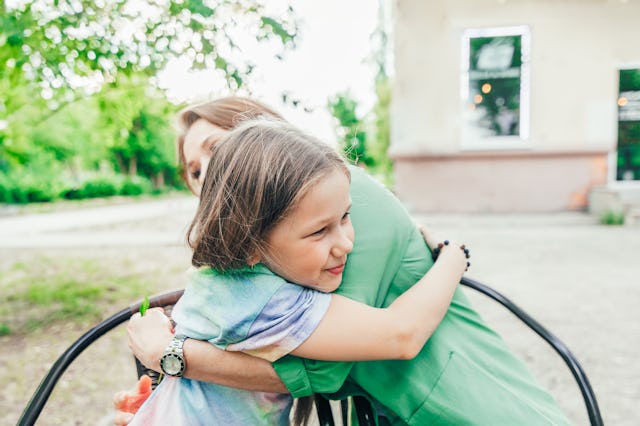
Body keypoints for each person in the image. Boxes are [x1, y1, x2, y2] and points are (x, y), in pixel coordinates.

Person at [116, 96, 571, 425]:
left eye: (217, 147)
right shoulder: (248, 266)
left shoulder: (329, 191)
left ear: (265, 134)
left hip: (474, 406)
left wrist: (170, 356)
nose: (210, 173)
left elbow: (323, 370)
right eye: (195, 170)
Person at [126, 119, 467, 425]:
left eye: (345, 217)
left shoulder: (222, 282)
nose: (346, 243)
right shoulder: (263, 300)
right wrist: (453, 255)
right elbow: (401, 335)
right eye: (319, 231)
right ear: (249, 243)